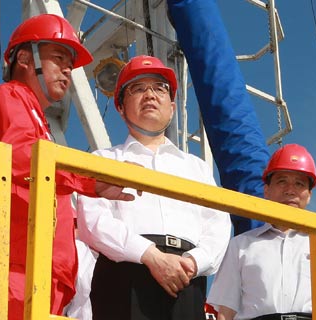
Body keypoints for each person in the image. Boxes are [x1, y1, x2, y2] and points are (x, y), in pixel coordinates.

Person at [0, 14, 134, 319]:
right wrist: (89, 181)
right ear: (25, 58)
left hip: (42, 271)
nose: (68, 69)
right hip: (12, 267)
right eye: (58, 58)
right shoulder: (6, 97)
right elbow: (22, 154)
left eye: (70, 63)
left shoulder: (37, 121)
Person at [77, 55, 232, 320]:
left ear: (172, 107)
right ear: (120, 107)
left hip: (186, 279)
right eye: (138, 88)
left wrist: (192, 263)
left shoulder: (197, 168)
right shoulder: (102, 161)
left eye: (159, 88)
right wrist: (150, 256)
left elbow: (217, 226)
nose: (150, 95)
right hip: (124, 276)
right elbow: (94, 223)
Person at [207, 143, 316, 320]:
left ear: (309, 195)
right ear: (266, 190)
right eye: (282, 181)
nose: (290, 190)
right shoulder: (240, 246)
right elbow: (225, 313)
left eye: (299, 184)